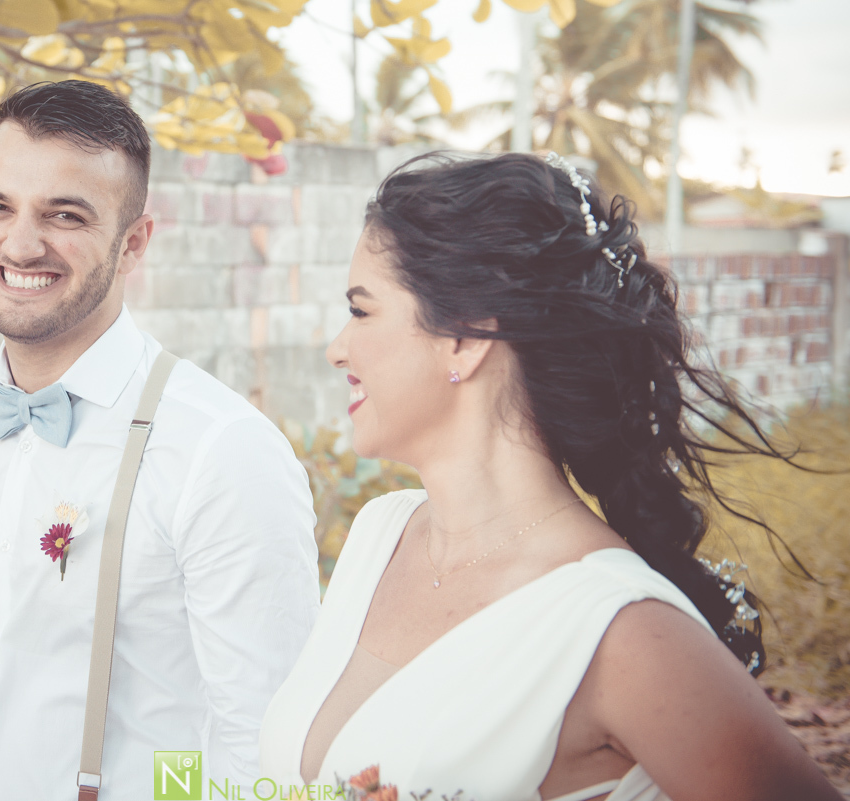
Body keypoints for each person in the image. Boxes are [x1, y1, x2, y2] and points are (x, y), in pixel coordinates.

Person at [258, 152, 842, 801]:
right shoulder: (379, 535)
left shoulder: (620, 629)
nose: (337, 346)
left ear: (466, 337)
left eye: (361, 311)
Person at [0, 80, 321, 801]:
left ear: (133, 243)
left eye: (65, 215)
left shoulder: (220, 449)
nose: (20, 243)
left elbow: (268, 739)